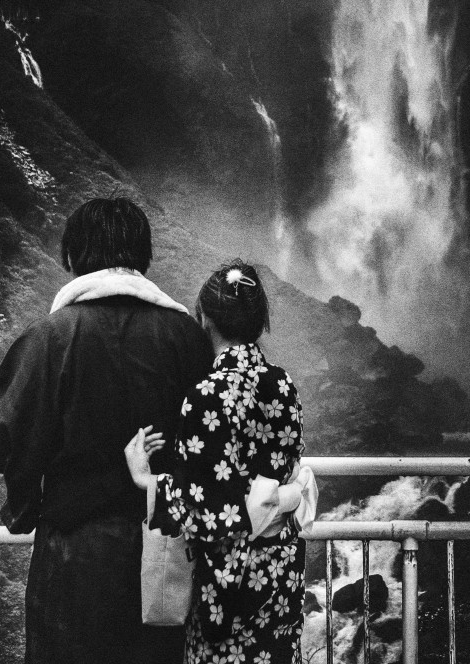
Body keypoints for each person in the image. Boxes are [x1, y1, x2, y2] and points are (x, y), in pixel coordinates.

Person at [0, 197, 213, 664]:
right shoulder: (185, 337)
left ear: (74, 258)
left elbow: (2, 426)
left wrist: (26, 501)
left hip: (74, 550)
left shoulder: (52, 335)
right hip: (162, 551)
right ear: (143, 256)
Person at [125, 260, 317, 664]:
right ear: (258, 319)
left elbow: (206, 506)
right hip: (280, 569)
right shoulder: (283, 384)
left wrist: (148, 480)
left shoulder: (205, 395)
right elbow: (289, 467)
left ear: (205, 318)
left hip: (230, 581)